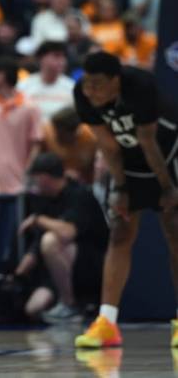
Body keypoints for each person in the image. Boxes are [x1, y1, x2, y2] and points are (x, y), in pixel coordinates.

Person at [74, 52, 178, 348]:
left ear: (115, 81)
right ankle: (106, 323)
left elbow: (148, 142)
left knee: (174, 230)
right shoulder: (82, 95)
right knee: (120, 231)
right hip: (130, 163)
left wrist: (169, 189)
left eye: (97, 85)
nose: (90, 91)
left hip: (168, 156)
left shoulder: (140, 86)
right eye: (87, 84)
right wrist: (119, 188)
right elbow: (108, 145)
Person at [14, 153, 108, 323]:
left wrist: (38, 220)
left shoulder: (80, 195)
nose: (34, 185)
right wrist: (23, 268)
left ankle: (70, 305)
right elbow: (38, 242)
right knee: (33, 308)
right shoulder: (45, 200)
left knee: (51, 241)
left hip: (87, 266)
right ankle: (64, 313)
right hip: (56, 273)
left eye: (36, 179)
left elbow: (67, 232)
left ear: (44, 178)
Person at [0, 57, 42, 194]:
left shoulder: (29, 107)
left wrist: (27, 175)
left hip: (21, 181)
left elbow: (36, 144)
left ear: (1, 75)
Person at [17, 41, 75, 123]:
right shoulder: (24, 85)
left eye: (64, 57)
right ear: (41, 58)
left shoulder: (72, 87)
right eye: (56, 56)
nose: (62, 61)